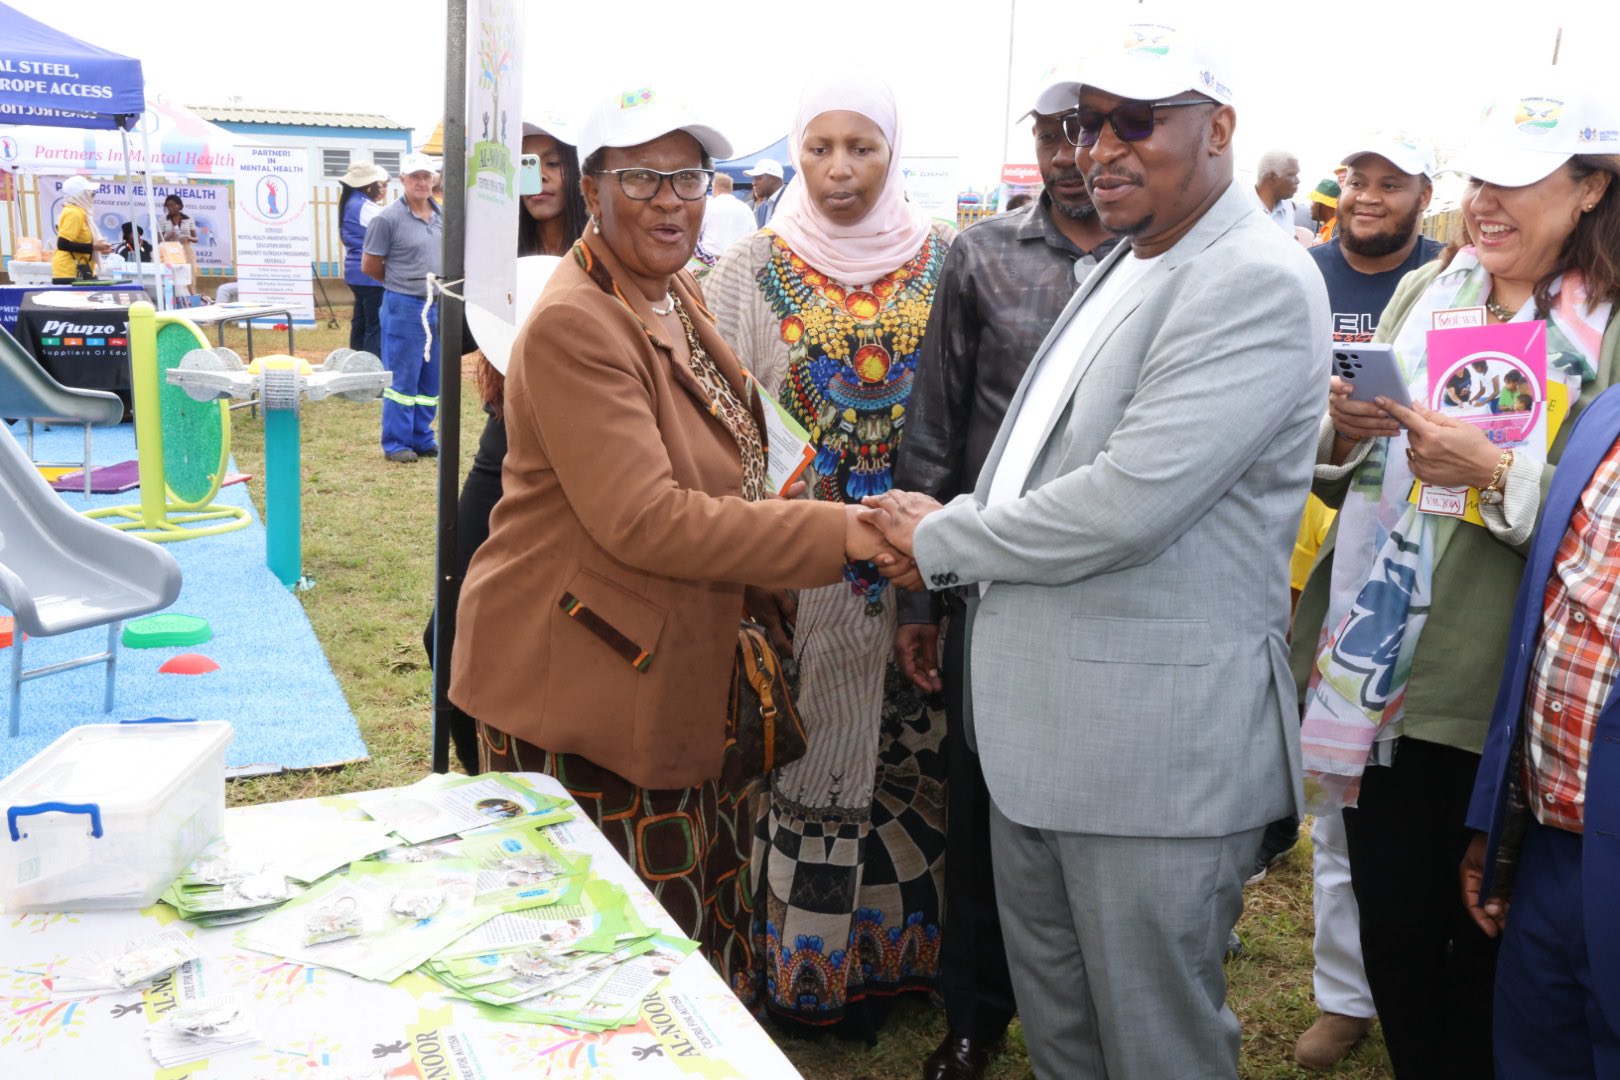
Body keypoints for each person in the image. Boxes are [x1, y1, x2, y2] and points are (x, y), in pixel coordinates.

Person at [859, 18, 1329, 1075]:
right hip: (1040, 749)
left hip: (1145, 766)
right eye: (1080, 123)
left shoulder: (1248, 277)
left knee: (1156, 1047)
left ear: (1221, 130)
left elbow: (1127, 502)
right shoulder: (1128, 257)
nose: (1096, 149)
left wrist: (944, 539)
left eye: (1133, 121)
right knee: (1067, 1042)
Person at [450, 84, 896, 1003]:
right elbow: (646, 518)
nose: (669, 199)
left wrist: (832, 491)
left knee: (689, 930)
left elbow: (743, 437)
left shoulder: (670, 290)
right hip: (580, 681)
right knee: (609, 964)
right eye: (641, 177)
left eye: (687, 176)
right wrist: (844, 534)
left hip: (666, 660)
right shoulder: (579, 319)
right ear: (591, 189)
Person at [1292, 70, 1620, 1078]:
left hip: (1508, 699)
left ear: (1591, 189)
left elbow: (1603, 527)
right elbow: (1352, 460)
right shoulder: (1430, 291)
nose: (1486, 199)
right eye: (1479, 176)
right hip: (1390, 680)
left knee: (1492, 950)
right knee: (1395, 931)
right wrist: (1346, 430)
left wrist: (1493, 473)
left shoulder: (1607, 334)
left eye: (1518, 179)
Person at [703, 75, 955, 1034]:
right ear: (795, 154)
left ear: (895, 150)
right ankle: (811, 982)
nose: (840, 170)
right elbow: (718, 415)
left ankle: (903, 961)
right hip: (798, 569)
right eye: (819, 148)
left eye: (863, 147)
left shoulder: (945, 259)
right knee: (806, 760)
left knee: (914, 760)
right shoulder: (749, 267)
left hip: (924, 566)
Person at [891, 78, 1118, 1080]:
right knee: (984, 807)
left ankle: (1107, 1008)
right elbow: (934, 429)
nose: (1075, 154)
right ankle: (978, 1015)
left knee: (1107, 809)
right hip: (990, 590)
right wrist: (917, 598)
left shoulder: (1160, 265)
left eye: (1093, 131)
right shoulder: (983, 255)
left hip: (1121, 590)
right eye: (1055, 134)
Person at [1288, 130, 1444, 1071]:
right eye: (1358, 180)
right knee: (1341, 784)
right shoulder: (1301, 275)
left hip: (1436, 554)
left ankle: (1413, 985)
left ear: (1428, 193)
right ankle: (1343, 994)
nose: (1370, 197)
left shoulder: (1446, 282)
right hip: (1334, 536)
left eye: (1392, 182)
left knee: (1412, 790)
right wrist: (1341, 432)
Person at [1463, 374, 1620, 1080]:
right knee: (1535, 1052)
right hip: (1556, 850)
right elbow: (1543, 626)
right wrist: (1498, 832)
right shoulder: (1607, 414)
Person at [429, 117, 589, 777]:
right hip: (509, 433)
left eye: (553, 163)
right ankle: (477, 778)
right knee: (448, 628)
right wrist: (469, 255)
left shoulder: (605, 245)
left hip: (591, 446)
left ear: (578, 171)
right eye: (526, 165)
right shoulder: (496, 252)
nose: (542, 179)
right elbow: (458, 346)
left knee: (558, 630)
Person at [362, 152, 442, 463]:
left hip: (436, 304)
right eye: (415, 177)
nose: (422, 182)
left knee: (429, 376)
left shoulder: (442, 216)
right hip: (403, 305)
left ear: (433, 179)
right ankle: (396, 442)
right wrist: (402, 284)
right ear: (403, 180)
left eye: (427, 176)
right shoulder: (387, 218)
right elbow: (370, 265)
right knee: (401, 377)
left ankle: (422, 437)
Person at [339, 162, 389, 357]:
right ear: (368, 185)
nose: (383, 188)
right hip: (370, 273)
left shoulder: (351, 201)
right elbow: (390, 229)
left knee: (360, 321)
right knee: (375, 325)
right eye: (380, 184)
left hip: (354, 273)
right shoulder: (364, 206)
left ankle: (355, 360)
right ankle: (371, 366)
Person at [50, 176, 111, 283]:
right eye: (91, 194)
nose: (93, 197)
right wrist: (95, 246)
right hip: (70, 272)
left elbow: (82, 241)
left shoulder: (81, 213)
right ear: (81, 195)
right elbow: (63, 244)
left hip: (82, 269)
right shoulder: (73, 213)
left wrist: (98, 247)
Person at [700, 173, 756, 257]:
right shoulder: (746, 208)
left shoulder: (707, 206)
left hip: (710, 261)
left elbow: (697, 232)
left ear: (714, 187)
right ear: (731, 189)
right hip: (736, 260)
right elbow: (753, 236)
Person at [156, 194, 200, 298]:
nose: (170, 208)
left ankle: (192, 296)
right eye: (168, 206)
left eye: (172, 205)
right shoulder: (162, 220)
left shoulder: (188, 219)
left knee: (190, 274)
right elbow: (157, 240)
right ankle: (173, 297)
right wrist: (167, 237)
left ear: (179, 206)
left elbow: (196, 239)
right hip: (169, 250)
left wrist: (188, 238)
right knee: (173, 274)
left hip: (186, 249)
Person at [1257, 149, 1302, 232]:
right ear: (1272, 177)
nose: (1298, 181)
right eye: (1292, 174)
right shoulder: (1243, 205)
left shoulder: (1288, 207)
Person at [746, 157, 785, 226]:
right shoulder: (762, 207)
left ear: (773, 179)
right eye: (753, 179)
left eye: (758, 178)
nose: (753, 183)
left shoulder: (792, 200)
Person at [1307, 179, 1339, 245]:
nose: (1310, 205)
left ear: (1324, 205)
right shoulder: (1328, 227)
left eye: (1313, 201)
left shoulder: (1337, 231)